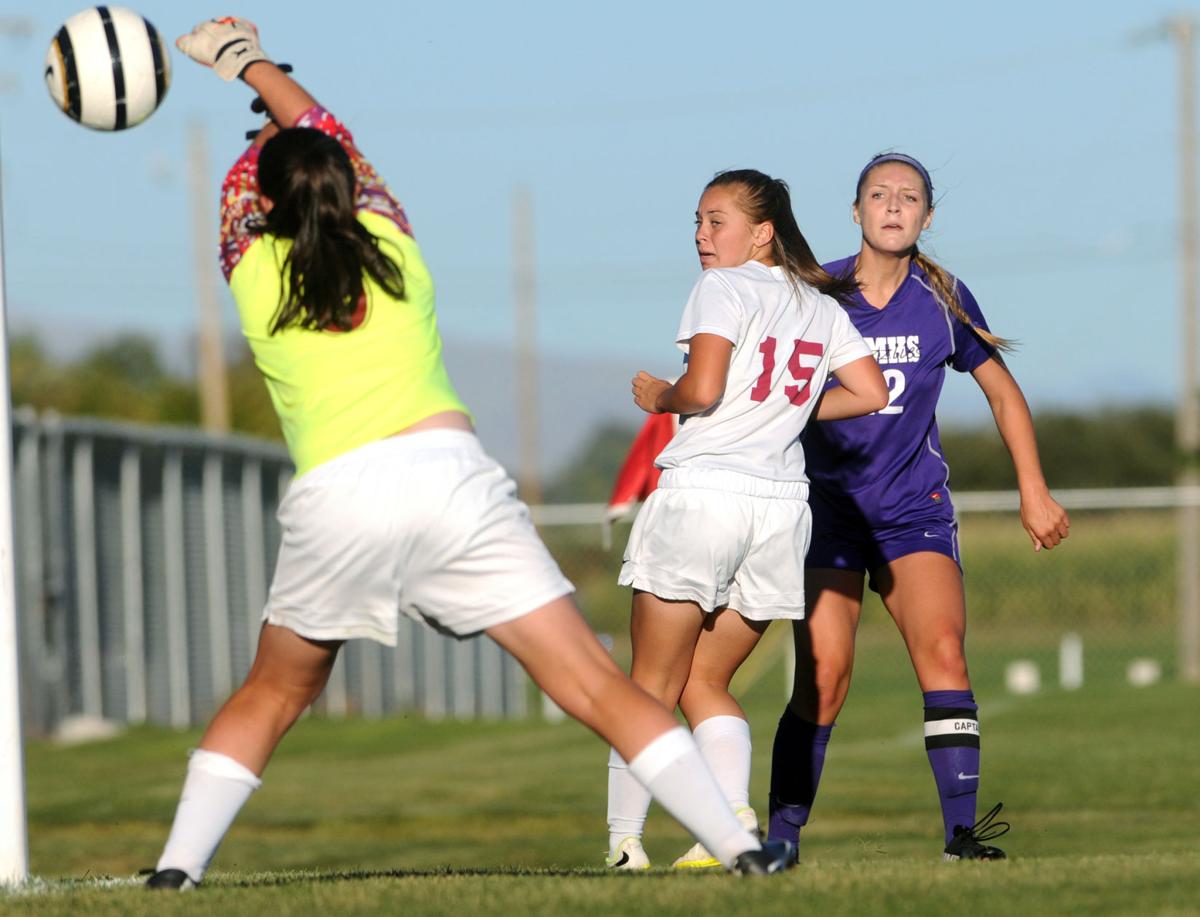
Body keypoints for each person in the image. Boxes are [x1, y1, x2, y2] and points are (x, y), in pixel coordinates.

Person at [146, 17, 795, 889]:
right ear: (348, 186)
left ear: (261, 204)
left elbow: (269, 175)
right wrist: (247, 62)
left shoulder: (253, 270)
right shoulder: (394, 248)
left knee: (272, 693)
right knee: (595, 684)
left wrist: (249, 123)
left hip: (338, 497)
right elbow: (326, 131)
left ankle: (175, 872)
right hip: (448, 481)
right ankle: (743, 848)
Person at [766, 152, 1071, 861]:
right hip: (828, 511)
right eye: (880, 195)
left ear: (927, 217)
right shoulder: (815, 294)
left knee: (943, 653)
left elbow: (1003, 392)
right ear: (856, 211)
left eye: (909, 197)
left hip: (913, 511)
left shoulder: (943, 296)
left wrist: (1033, 488)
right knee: (823, 678)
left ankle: (961, 836)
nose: (894, 206)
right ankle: (780, 843)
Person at [605, 170, 889, 870]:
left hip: (706, 495)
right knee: (705, 683)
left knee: (648, 686)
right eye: (698, 223)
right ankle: (730, 823)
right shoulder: (818, 305)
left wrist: (659, 395)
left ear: (763, 232)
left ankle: (624, 845)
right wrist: (782, 413)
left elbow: (701, 390)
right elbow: (870, 391)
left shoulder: (722, 288)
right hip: (781, 509)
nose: (703, 235)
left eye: (717, 220)